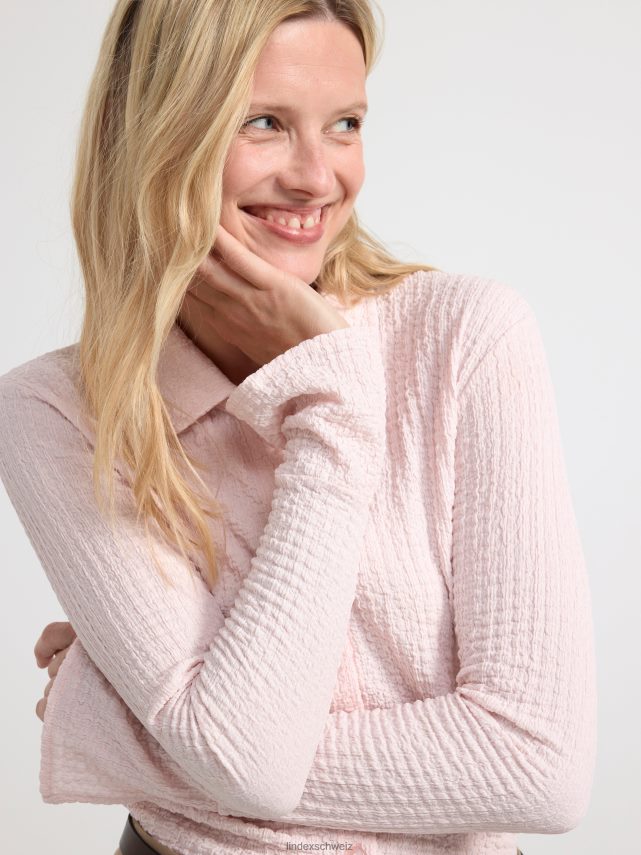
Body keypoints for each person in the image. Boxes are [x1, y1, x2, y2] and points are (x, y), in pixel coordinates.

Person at [0, 1, 596, 854]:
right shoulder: (55, 409)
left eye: (345, 123)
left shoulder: (466, 337)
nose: (318, 179)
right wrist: (332, 405)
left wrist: (121, 732)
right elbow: (243, 765)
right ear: (157, 138)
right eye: (265, 123)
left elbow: (538, 765)